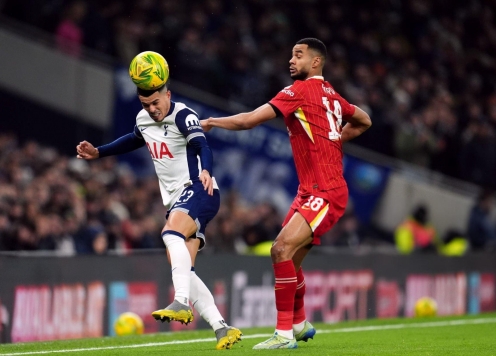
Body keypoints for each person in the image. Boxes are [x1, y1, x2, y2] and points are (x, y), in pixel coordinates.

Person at [202, 38, 372, 349]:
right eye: (290, 54)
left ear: (316, 61)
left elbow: (248, 121)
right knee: (290, 262)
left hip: (325, 191)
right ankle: (300, 323)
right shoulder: (332, 95)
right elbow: (364, 120)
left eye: (298, 55)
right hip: (309, 192)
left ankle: (283, 336)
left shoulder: (299, 91)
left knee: (279, 250)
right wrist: (335, 141)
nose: (291, 61)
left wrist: (212, 121)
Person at [76, 80, 242, 350]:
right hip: (177, 199)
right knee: (182, 266)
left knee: (170, 233)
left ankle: (181, 302)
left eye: (156, 103)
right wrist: (99, 152)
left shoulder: (184, 115)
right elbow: (133, 139)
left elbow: (203, 146)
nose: (152, 109)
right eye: (146, 105)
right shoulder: (143, 119)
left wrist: (207, 170)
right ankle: (221, 328)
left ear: (168, 95)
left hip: (199, 188)